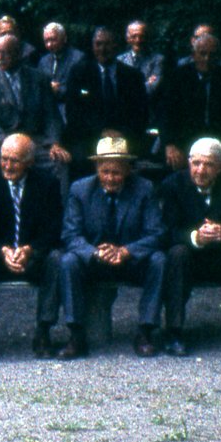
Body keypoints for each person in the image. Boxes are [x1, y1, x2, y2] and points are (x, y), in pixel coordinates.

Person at [54, 134, 167, 359]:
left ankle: (145, 331)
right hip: (95, 259)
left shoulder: (145, 188)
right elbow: (70, 234)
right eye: (105, 172)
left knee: (159, 260)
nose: (111, 178)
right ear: (97, 168)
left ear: (127, 170)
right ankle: (76, 334)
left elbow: (156, 233)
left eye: (116, 172)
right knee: (67, 261)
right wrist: (94, 253)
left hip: (131, 259)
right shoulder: (80, 190)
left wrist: (126, 251)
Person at [156, 137, 221, 357]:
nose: (201, 170)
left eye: (209, 164)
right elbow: (165, 232)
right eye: (196, 163)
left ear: (220, 167)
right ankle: (174, 331)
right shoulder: (173, 185)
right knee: (176, 253)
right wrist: (195, 237)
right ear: (189, 162)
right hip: (188, 257)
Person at [0, 133, 62, 348]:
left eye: (15, 160)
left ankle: (44, 330)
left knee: (57, 258)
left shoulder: (48, 185)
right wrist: (2, 250)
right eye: (4, 159)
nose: (7, 166)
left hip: (32, 257)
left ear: (30, 162)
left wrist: (31, 249)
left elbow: (54, 229)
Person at [60, 27, 149, 170]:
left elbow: (141, 114)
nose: (103, 49)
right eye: (98, 44)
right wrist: (102, 132)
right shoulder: (79, 73)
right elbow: (74, 113)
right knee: (78, 158)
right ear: (93, 46)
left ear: (116, 45)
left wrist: (120, 133)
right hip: (89, 137)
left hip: (124, 137)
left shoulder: (132, 76)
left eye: (108, 44)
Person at [157, 32, 221, 173]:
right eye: (202, 54)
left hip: (220, 140)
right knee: (173, 165)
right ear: (193, 55)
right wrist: (169, 144)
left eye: (212, 55)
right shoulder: (177, 77)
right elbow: (165, 113)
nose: (207, 59)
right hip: (184, 140)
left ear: (218, 57)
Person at [0, 34, 60, 175]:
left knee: (58, 160)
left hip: (34, 137)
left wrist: (55, 142)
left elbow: (51, 115)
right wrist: (10, 142)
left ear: (18, 54)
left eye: (4, 53)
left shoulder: (39, 78)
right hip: (1, 138)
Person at [36, 22, 86, 106]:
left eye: (53, 40)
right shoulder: (43, 61)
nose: (49, 45)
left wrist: (59, 90)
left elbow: (84, 91)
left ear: (64, 38)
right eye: (46, 41)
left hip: (71, 109)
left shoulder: (78, 59)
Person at [120, 20, 166, 99]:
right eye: (134, 36)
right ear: (128, 39)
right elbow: (118, 90)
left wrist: (128, 88)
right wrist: (147, 83)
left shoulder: (158, 60)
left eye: (142, 36)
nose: (138, 40)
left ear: (147, 38)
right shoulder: (120, 60)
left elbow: (152, 89)